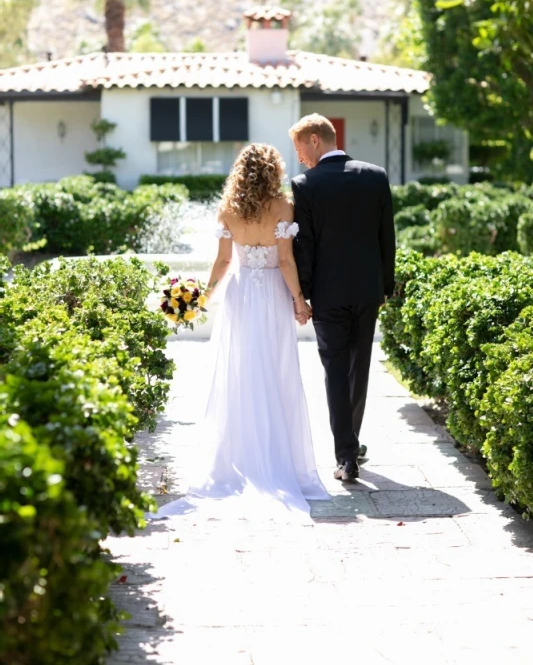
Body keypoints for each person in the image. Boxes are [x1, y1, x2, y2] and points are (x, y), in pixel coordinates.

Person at [150, 143, 328, 524]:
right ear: (273, 170)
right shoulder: (283, 206)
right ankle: (278, 461)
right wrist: (299, 300)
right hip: (273, 295)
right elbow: (284, 259)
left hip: (241, 293)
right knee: (275, 371)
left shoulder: (228, 207)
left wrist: (200, 299)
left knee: (241, 374)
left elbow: (223, 261)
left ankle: (239, 458)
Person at [289, 113, 396, 483]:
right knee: (358, 368)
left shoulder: (304, 184)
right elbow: (388, 237)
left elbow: (305, 247)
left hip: (329, 294)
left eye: (300, 146)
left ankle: (346, 455)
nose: (299, 155)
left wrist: (302, 294)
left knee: (335, 371)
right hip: (368, 290)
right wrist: (385, 286)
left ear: (315, 140)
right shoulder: (376, 176)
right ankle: (351, 442)